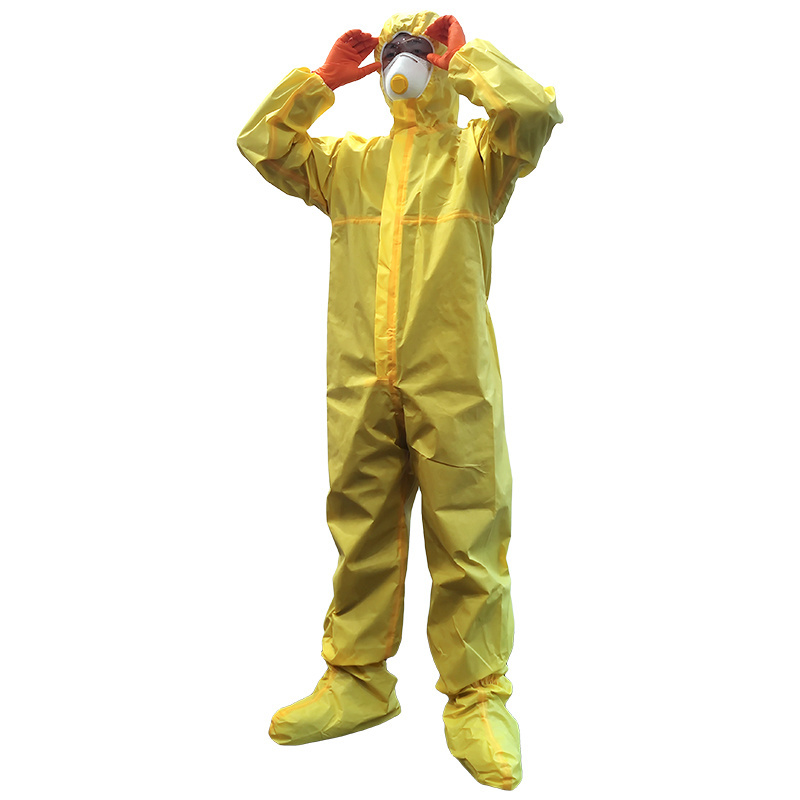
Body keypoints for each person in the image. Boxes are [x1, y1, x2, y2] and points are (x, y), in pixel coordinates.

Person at [237, 10, 562, 791]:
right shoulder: (351, 163)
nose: (402, 65)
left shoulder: (480, 157)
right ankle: (357, 680)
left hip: (453, 380)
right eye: (394, 54)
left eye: (416, 52)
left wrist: (469, 59)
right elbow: (264, 145)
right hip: (360, 381)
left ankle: (477, 698)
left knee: (469, 533)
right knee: (360, 526)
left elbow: (535, 115)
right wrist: (321, 82)